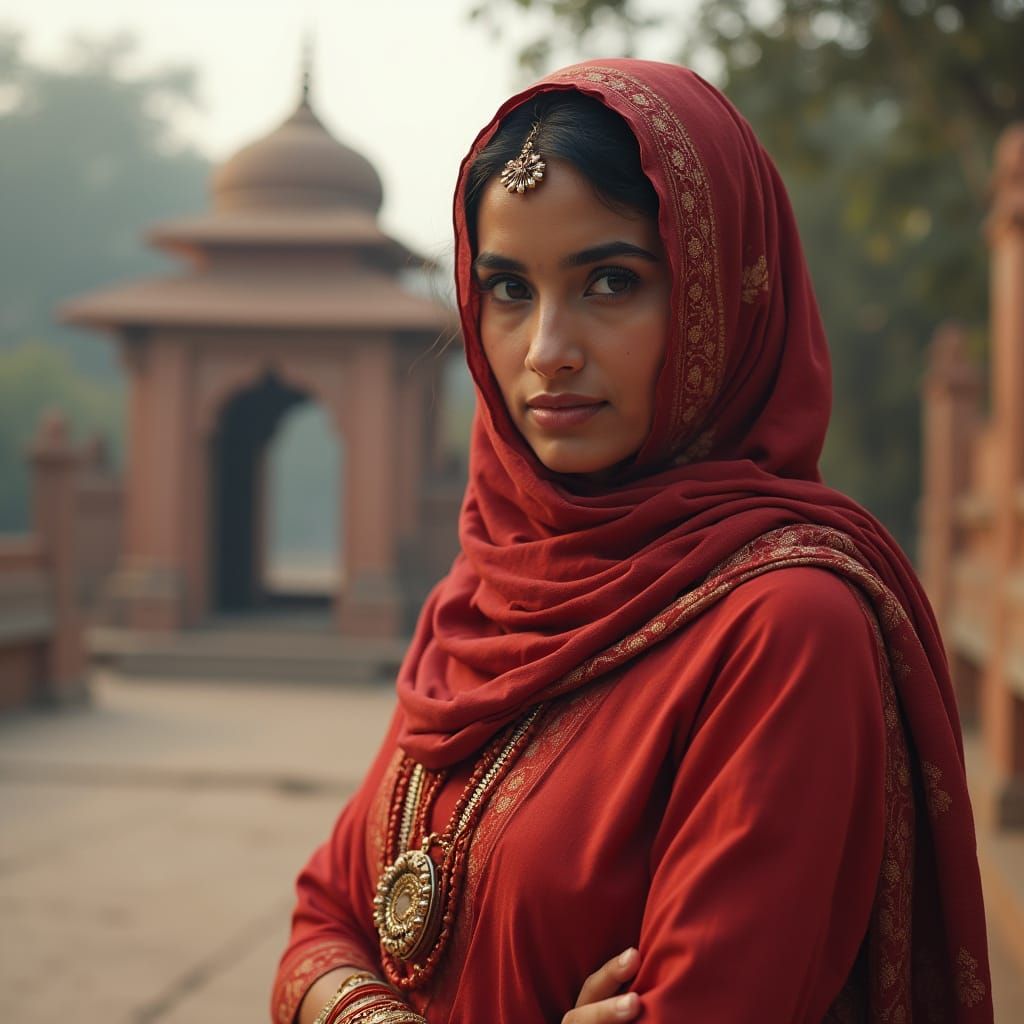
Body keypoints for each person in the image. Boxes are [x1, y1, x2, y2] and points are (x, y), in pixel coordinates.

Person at [271, 59, 994, 1024]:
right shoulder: (489, 591)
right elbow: (320, 919)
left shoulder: (786, 628)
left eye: (609, 281)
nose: (546, 349)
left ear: (722, 294)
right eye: (509, 289)